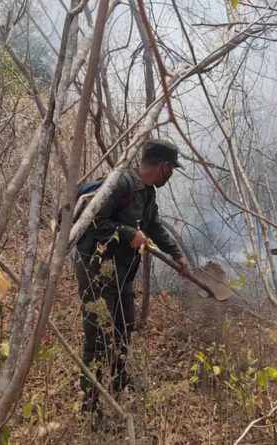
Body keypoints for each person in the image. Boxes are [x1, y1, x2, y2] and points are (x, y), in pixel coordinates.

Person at [75, 138, 189, 417]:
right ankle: (91, 406)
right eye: (171, 169)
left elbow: (154, 225)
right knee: (98, 338)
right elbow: (90, 220)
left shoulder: (147, 192)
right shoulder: (120, 184)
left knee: (125, 328)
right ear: (164, 166)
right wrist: (128, 234)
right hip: (96, 273)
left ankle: (117, 386)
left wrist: (176, 254)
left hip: (122, 275)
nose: (171, 174)